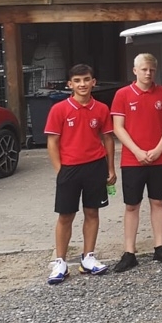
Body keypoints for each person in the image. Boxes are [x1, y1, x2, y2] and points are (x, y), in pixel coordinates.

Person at [44, 63, 116, 284]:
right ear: (70, 84)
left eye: (86, 80)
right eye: (77, 81)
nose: (82, 84)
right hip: (69, 168)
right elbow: (52, 142)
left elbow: (108, 139)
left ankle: (88, 258)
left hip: (95, 166)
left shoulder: (101, 109)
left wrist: (110, 168)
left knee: (92, 212)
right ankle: (60, 262)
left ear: (93, 82)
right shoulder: (59, 109)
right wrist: (60, 170)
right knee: (65, 215)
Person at [110, 52, 162, 272]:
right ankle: (129, 252)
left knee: (158, 202)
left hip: (159, 158)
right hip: (132, 159)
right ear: (135, 71)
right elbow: (118, 127)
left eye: (152, 70)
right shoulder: (122, 94)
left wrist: (158, 149)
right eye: (144, 69)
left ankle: (159, 246)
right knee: (132, 205)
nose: (148, 73)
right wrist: (138, 151)